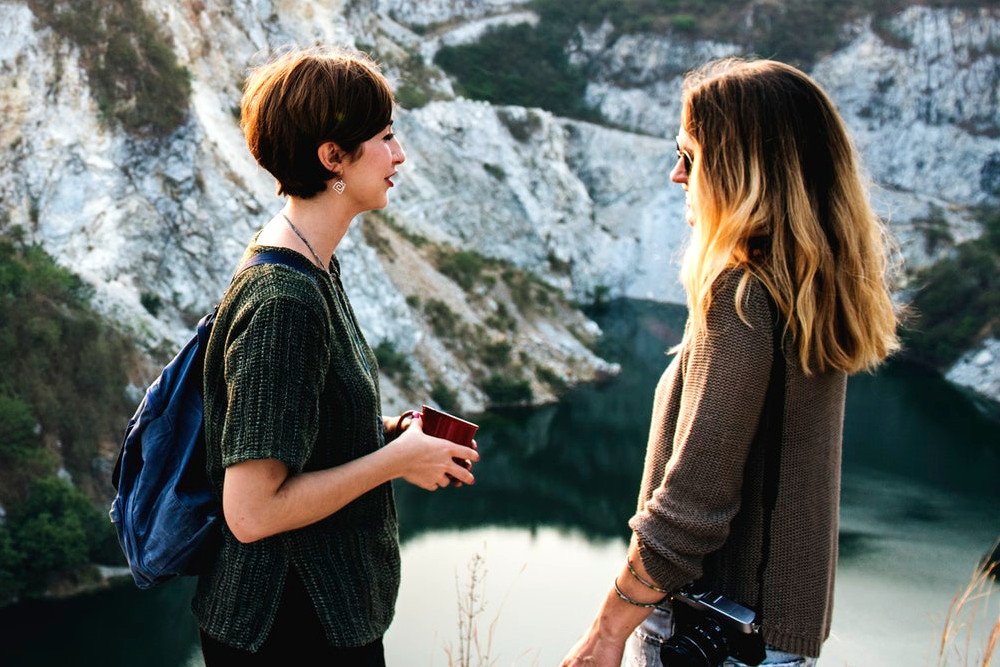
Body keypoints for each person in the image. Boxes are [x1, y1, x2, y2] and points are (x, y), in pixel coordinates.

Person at [561, 57, 900, 666]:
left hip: (707, 634)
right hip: (775, 639)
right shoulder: (812, 288)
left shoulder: (741, 294)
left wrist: (608, 629)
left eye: (690, 156)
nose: (676, 175)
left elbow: (694, 502)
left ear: (741, 171)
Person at [193, 46, 479, 665]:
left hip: (311, 617)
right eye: (385, 136)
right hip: (285, 627)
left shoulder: (309, 265)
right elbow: (252, 512)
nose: (399, 154)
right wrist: (394, 461)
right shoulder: (285, 301)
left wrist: (397, 439)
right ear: (332, 158)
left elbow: (293, 433)